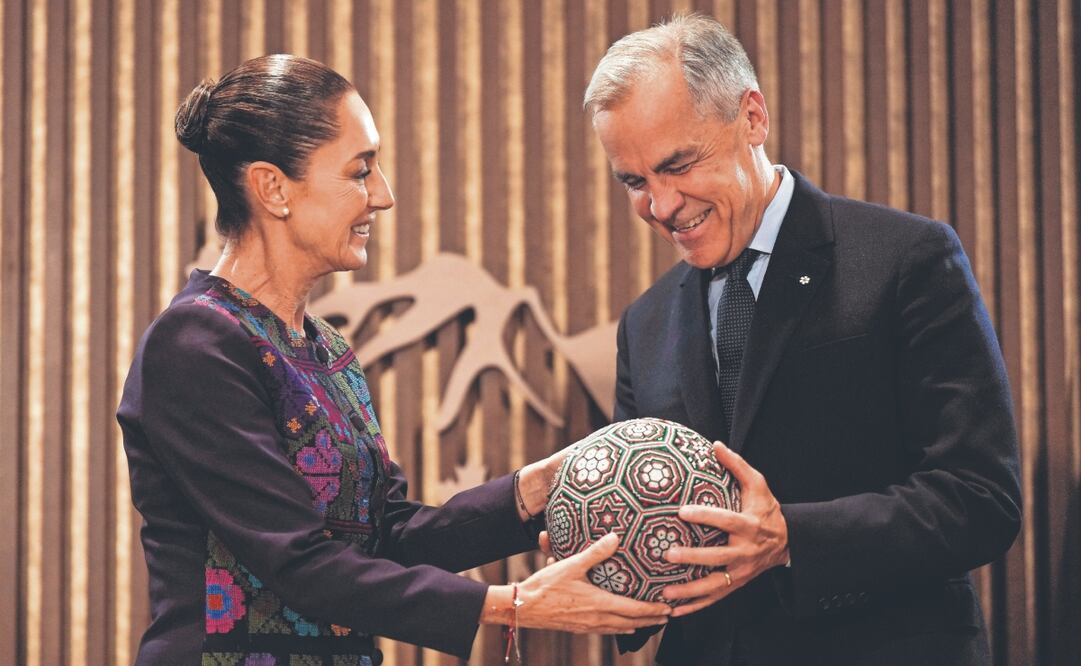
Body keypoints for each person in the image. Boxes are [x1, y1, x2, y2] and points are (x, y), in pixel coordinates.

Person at [117, 54, 670, 665]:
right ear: (273, 188)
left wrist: (533, 490)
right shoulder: (196, 343)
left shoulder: (324, 348)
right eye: (361, 172)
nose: (383, 196)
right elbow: (299, 564)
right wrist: (511, 604)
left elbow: (385, 539)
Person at [583, 14, 1022, 666]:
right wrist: (606, 565)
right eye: (634, 181)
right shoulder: (643, 324)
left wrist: (793, 538)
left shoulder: (907, 258)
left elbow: (981, 498)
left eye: (678, 165)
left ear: (751, 118)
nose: (661, 204)